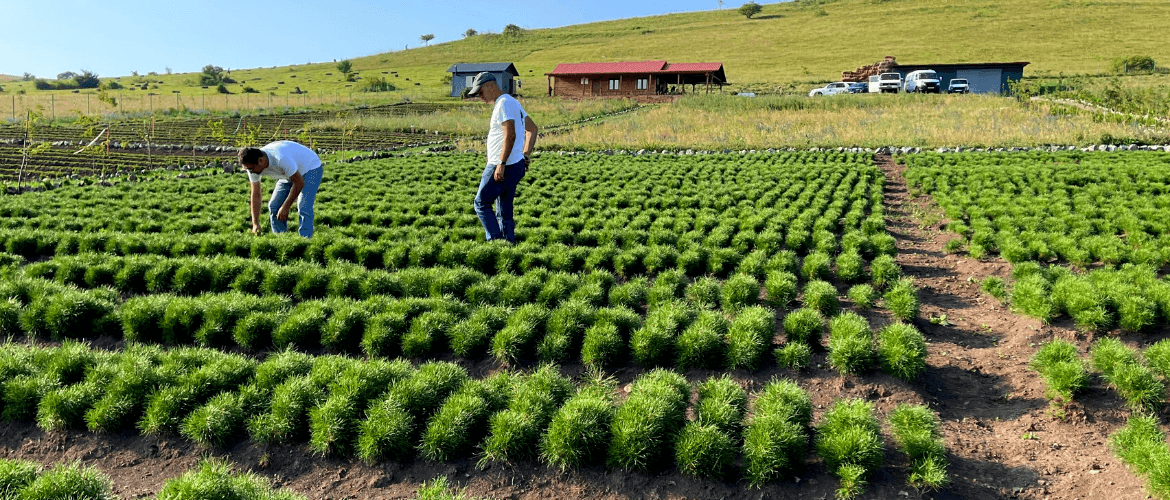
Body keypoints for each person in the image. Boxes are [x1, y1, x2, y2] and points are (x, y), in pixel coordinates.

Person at [466, 72, 538, 244]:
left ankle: (496, 243)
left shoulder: (504, 103)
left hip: (504, 165)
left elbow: (510, 134)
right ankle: (508, 245)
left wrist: (501, 163)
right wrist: (525, 155)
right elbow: (532, 129)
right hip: (515, 165)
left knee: (481, 203)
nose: (480, 97)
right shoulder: (513, 102)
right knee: (504, 210)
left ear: (490, 86)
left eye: (481, 92)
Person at [237, 140, 323, 238]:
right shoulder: (252, 167)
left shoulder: (280, 158)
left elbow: (299, 183)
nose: (250, 172)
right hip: (287, 174)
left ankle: (305, 240)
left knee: (304, 206)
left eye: (251, 169)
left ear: (260, 161)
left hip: (310, 168)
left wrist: (286, 206)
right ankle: (281, 239)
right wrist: (255, 223)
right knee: (274, 206)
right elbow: (255, 194)